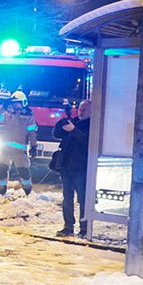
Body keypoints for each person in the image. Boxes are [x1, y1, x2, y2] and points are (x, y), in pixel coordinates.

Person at [53, 99, 91, 237]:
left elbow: (88, 142)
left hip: (82, 167)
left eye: (84, 109)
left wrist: (73, 130)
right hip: (67, 167)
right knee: (67, 198)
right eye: (80, 109)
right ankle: (68, 226)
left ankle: (85, 228)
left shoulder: (92, 125)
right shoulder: (73, 121)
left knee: (83, 199)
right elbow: (57, 134)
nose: (81, 112)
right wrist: (60, 124)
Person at [0, 91, 37, 195]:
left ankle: (28, 191)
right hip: (5, 149)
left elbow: (32, 133)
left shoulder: (28, 116)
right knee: (1, 169)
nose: (15, 105)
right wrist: (2, 107)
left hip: (20, 151)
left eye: (17, 102)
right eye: (14, 102)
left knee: (24, 171)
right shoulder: (6, 113)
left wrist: (33, 146)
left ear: (23, 102)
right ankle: (1, 191)